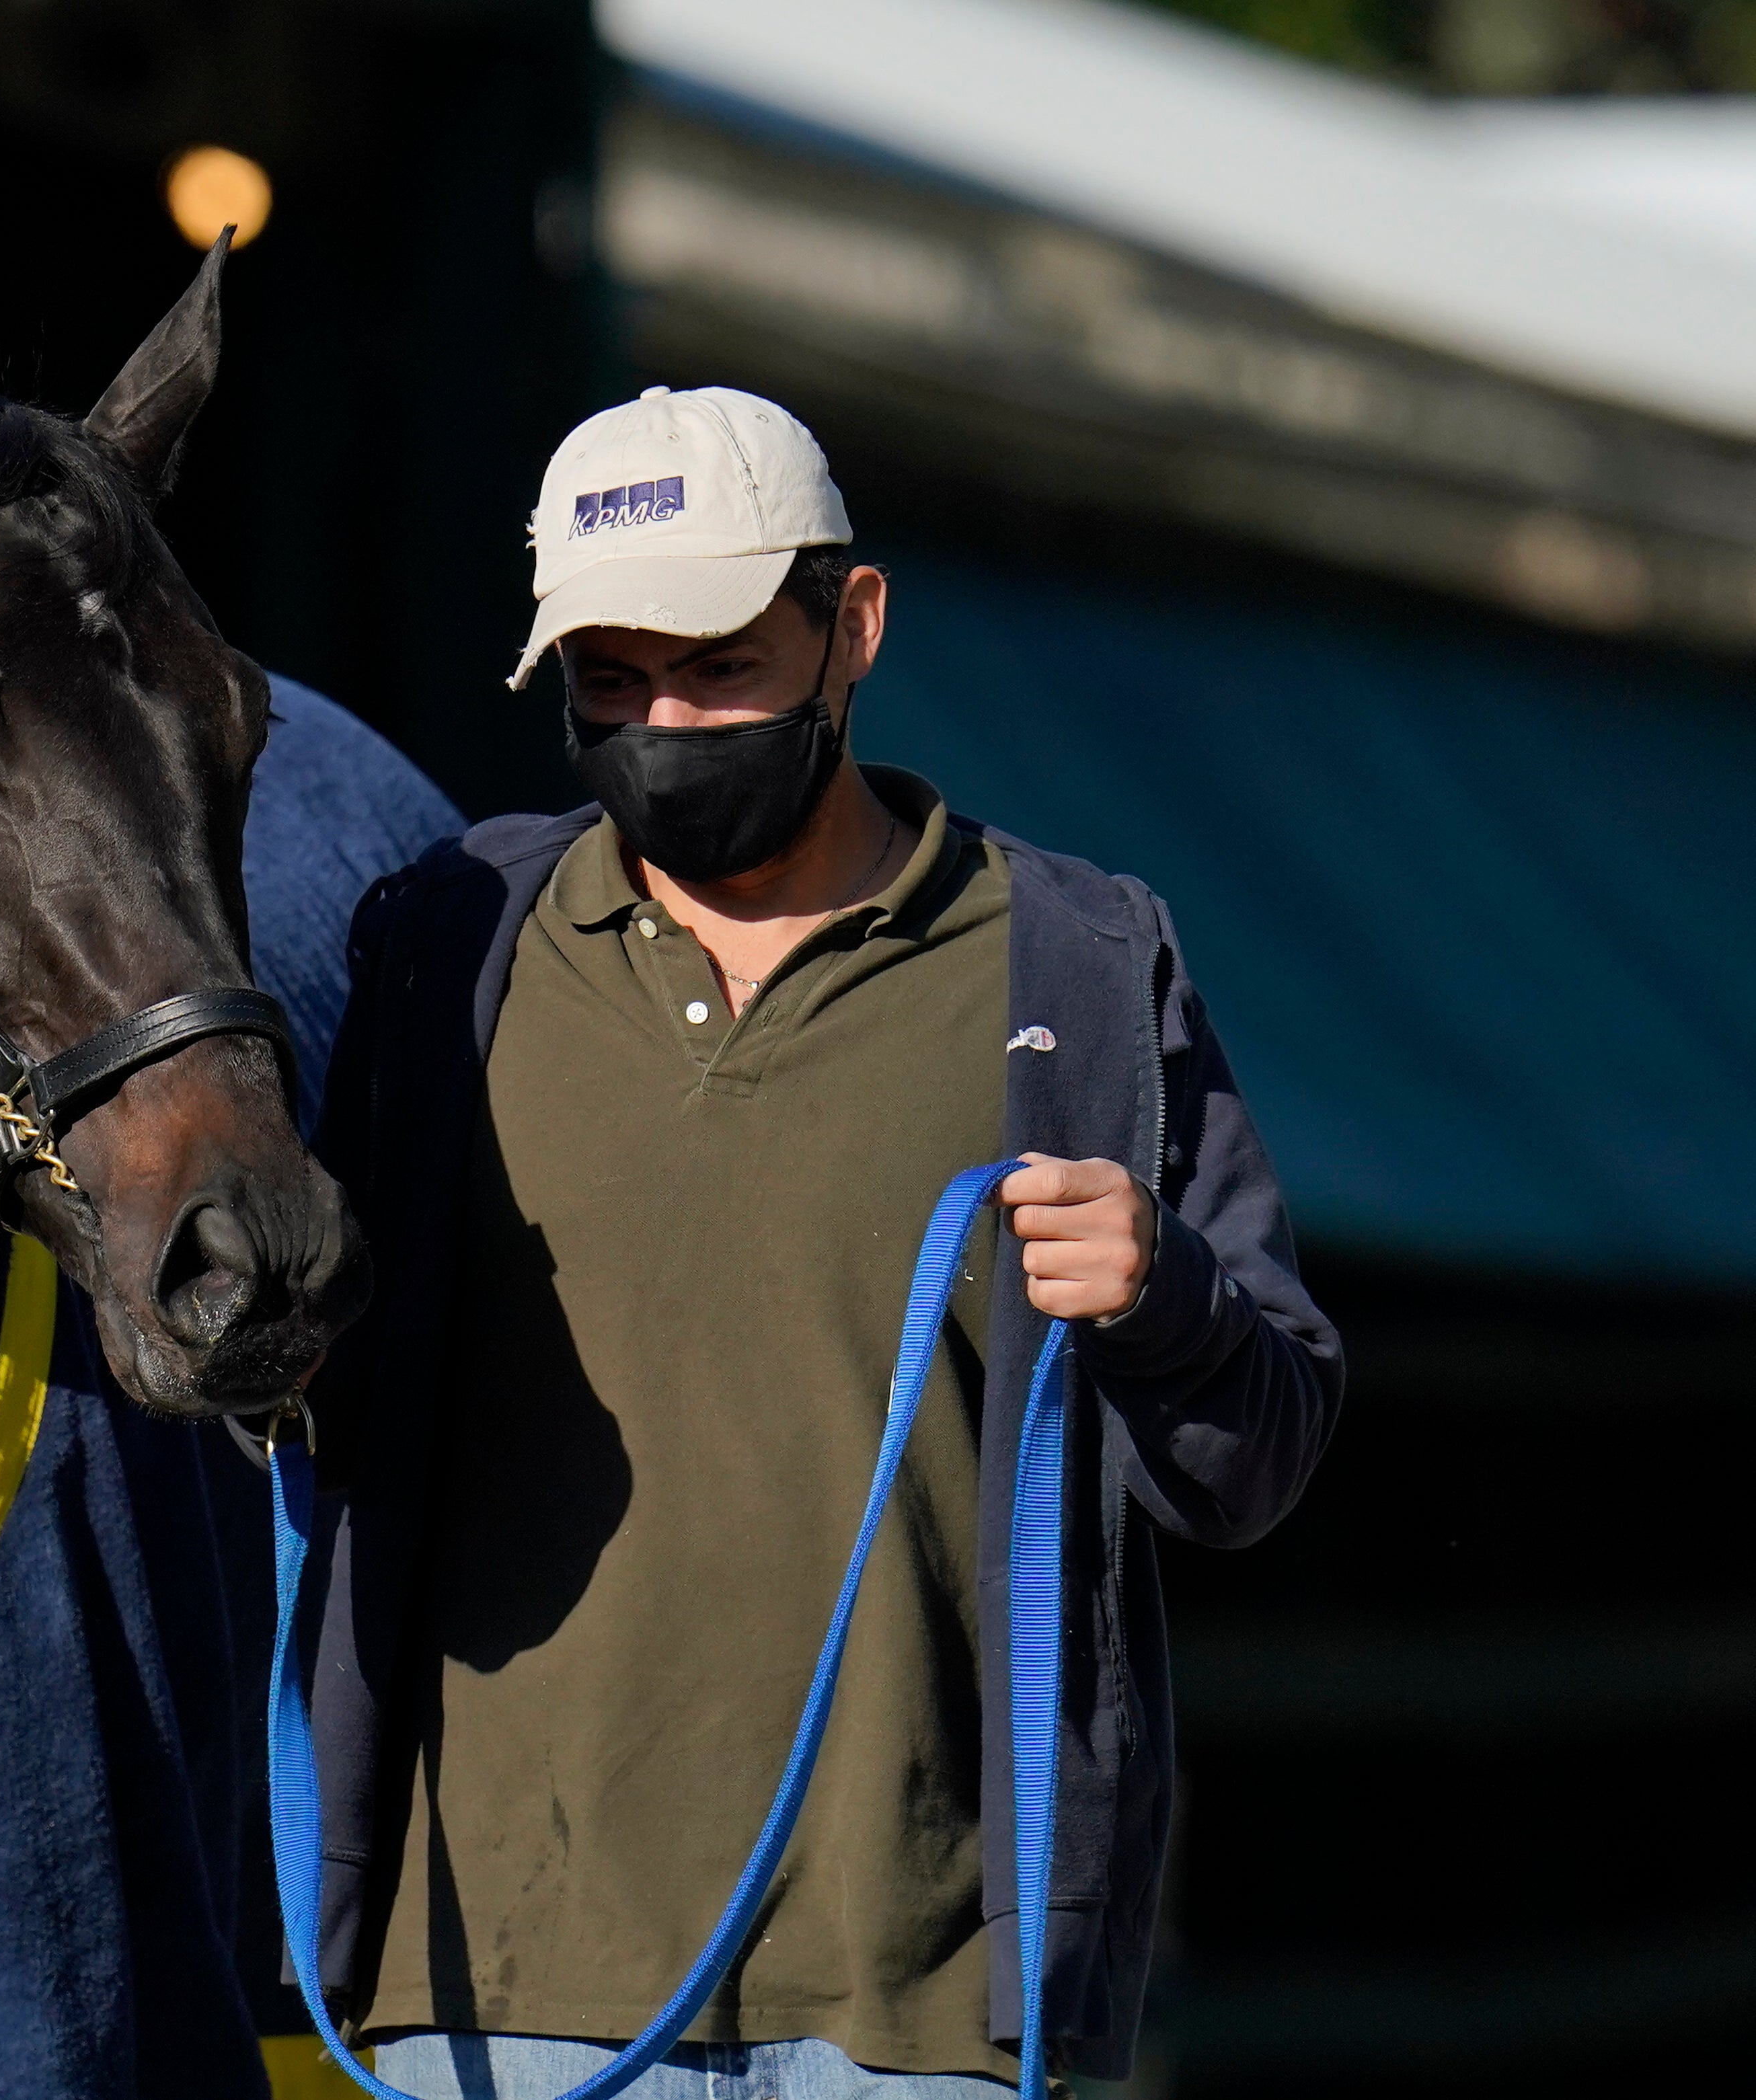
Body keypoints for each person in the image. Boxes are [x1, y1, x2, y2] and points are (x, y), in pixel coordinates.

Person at [297, 386, 1342, 2096]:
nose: (663, 725)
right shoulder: (447, 947)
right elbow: (304, 1377)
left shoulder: (1073, 968)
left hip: (916, 2002)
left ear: (852, 624)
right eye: (609, 682)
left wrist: (1165, 1296)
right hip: (497, 1985)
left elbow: (1261, 1453)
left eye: (718, 667)